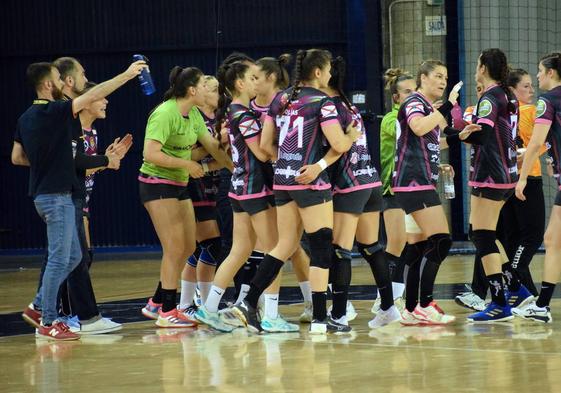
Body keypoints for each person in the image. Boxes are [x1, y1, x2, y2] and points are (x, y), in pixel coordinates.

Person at [14, 59, 146, 340]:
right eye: (58, 80)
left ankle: (38, 305)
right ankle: (48, 321)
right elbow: (94, 94)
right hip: (57, 196)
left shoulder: (24, 118)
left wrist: (50, 163)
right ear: (49, 84)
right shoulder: (55, 111)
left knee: (73, 256)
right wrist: (126, 74)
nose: (64, 84)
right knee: (61, 259)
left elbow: (17, 157)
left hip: (45, 194)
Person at [231, 49, 359, 334]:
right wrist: (351, 137)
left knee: (285, 244)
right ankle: (318, 320)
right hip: (310, 181)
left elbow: (265, 146)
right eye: (327, 71)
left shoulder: (281, 98)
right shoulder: (323, 102)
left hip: (283, 180)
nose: (329, 75)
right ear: (317, 72)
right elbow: (338, 144)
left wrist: (287, 161)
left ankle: (249, 302)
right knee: (322, 247)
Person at [139, 66, 233, 328]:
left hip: (178, 185)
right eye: (205, 84)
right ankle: (168, 310)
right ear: (192, 90)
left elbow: (213, 148)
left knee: (189, 247)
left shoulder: (192, 114)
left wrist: (235, 169)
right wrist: (186, 165)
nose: (209, 88)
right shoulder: (165, 112)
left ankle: (160, 302)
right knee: (173, 248)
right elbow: (150, 154)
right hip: (157, 184)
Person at [392, 60, 477, 325]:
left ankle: (409, 309)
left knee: (418, 248)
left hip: (418, 181)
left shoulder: (428, 107)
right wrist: (449, 107)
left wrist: (459, 136)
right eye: (438, 76)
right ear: (423, 78)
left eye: (446, 76)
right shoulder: (415, 103)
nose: (443, 81)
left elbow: (430, 140)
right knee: (441, 241)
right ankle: (426, 303)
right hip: (413, 183)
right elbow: (418, 127)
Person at [464, 49, 521, 323]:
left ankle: (500, 302)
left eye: (477, 64)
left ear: (484, 67)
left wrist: (458, 132)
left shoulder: (490, 97)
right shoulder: (508, 94)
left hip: (490, 174)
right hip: (505, 173)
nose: (476, 68)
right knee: (480, 231)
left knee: (482, 235)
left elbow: (483, 135)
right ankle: (515, 289)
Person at [513, 52, 561, 323]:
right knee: (553, 239)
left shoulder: (547, 101)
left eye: (541, 71)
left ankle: (542, 306)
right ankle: (542, 306)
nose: (538, 76)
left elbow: (535, 142)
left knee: (553, 240)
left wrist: (521, 178)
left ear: (551, 73)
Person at [372, 68, 416, 315]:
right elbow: (408, 135)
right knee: (396, 243)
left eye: (415, 91)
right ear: (396, 97)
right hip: (393, 187)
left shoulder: (415, 117)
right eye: (407, 92)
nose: (412, 96)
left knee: (411, 243)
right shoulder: (391, 119)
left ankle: (394, 298)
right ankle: (384, 299)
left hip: (413, 187)